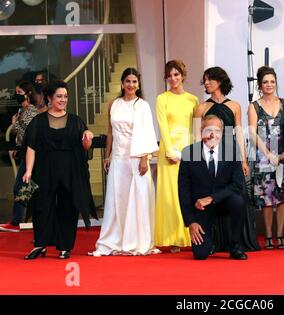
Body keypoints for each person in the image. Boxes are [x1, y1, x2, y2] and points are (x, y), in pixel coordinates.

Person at [21, 80, 97, 259]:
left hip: (70, 169)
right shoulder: (38, 122)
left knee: (67, 207)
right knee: (42, 206)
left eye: (65, 96)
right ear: (49, 98)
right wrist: (28, 170)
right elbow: (31, 147)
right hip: (44, 169)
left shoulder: (76, 121)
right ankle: (40, 244)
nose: (63, 100)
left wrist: (87, 139)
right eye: (59, 96)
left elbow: (85, 147)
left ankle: (65, 246)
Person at [90, 68, 160, 256]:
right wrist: (107, 155)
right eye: (128, 81)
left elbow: (147, 132)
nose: (131, 85)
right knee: (117, 198)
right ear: (122, 83)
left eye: (134, 82)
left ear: (138, 85)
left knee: (138, 199)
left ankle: (137, 240)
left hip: (137, 157)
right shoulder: (114, 104)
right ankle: (115, 239)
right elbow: (111, 132)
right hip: (119, 158)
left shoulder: (143, 105)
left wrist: (145, 158)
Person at [194, 66, 259, 252]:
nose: (206, 83)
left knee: (237, 198)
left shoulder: (235, 106)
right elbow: (196, 137)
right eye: (204, 80)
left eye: (209, 79)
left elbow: (239, 134)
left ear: (220, 81)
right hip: (210, 157)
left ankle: (236, 243)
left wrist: (244, 160)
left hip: (231, 156)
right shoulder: (201, 107)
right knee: (212, 198)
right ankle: (213, 242)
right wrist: (199, 162)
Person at [178, 114, 248, 260]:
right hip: (200, 208)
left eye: (217, 131)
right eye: (209, 130)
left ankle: (235, 246)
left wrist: (211, 198)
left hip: (223, 202)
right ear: (201, 130)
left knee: (238, 201)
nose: (212, 134)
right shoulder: (188, 153)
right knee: (200, 255)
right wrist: (191, 221)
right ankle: (211, 241)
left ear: (222, 133)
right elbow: (183, 191)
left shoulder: (232, 151)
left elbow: (237, 185)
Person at [248, 66, 284, 249]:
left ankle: (281, 234)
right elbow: (252, 132)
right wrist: (267, 153)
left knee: (283, 196)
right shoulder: (254, 106)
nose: (269, 85)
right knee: (267, 198)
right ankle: (269, 235)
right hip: (263, 157)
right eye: (265, 82)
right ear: (260, 85)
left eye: (272, 81)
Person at [154, 60, 199, 253]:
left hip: (188, 150)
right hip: (169, 151)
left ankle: (190, 236)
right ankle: (173, 238)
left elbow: (196, 128)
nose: (173, 79)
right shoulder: (161, 98)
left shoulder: (193, 100)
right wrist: (170, 151)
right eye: (169, 75)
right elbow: (162, 126)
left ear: (183, 75)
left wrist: (192, 152)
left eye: (176, 75)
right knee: (170, 194)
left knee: (188, 192)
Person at [0, 81, 39, 233]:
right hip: (26, 153)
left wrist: (15, 124)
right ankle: (18, 220)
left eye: (18, 92)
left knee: (22, 187)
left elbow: (28, 134)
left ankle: (17, 221)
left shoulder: (31, 111)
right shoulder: (21, 111)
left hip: (33, 155)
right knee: (24, 188)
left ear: (27, 94)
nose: (16, 95)